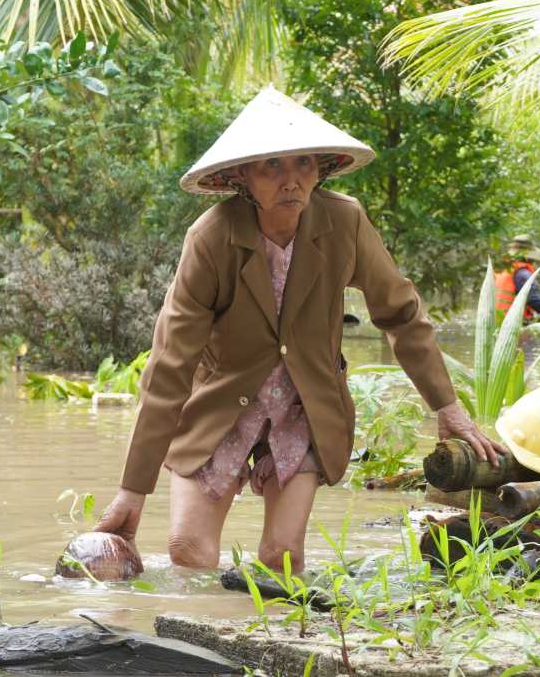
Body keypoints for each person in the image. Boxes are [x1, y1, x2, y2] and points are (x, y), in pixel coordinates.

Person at [92, 87, 506, 573]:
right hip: (220, 406)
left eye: (304, 164)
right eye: (272, 166)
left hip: (304, 405)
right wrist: (132, 489)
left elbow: (400, 314)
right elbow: (170, 363)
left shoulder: (344, 222)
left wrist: (448, 407)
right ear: (242, 177)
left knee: (281, 559)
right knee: (188, 551)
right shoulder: (210, 239)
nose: (291, 182)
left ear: (321, 169)